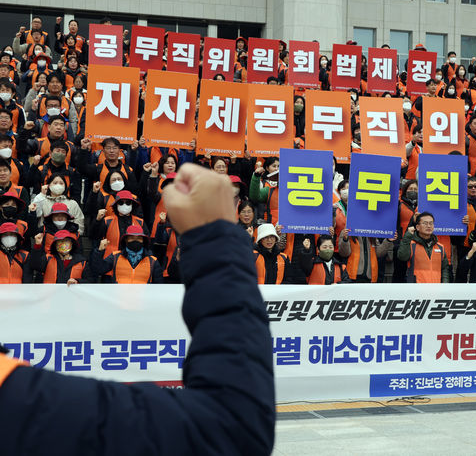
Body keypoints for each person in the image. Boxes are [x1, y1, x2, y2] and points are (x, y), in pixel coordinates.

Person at [0, 163, 275, 454]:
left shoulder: (151, 261)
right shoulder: (18, 399)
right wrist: (214, 238)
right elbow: (231, 427)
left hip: (139, 317)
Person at [92, 224, 163, 283]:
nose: (135, 240)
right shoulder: (115, 256)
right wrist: (99, 251)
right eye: (132, 238)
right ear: (126, 240)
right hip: (119, 298)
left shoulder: (153, 261)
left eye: (139, 238)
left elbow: (158, 287)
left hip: (143, 299)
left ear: (143, 240)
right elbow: (99, 269)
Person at [397, 212, 450, 283]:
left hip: (436, 290)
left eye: (431, 223)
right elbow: (402, 257)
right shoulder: (411, 244)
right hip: (416, 289)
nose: (428, 226)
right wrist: (407, 237)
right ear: (417, 227)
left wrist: (445, 285)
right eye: (425, 223)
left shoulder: (440, 247)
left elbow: (444, 269)